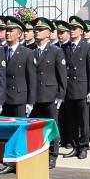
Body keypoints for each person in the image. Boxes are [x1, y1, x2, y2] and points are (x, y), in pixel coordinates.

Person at [29, 17, 68, 169]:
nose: (36, 32)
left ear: (48, 33)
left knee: (52, 127)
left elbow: (62, 76)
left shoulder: (56, 51)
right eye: (36, 30)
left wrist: (60, 95)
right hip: (34, 96)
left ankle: (53, 155)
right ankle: (38, 152)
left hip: (51, 95)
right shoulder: (30, 50)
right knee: (36, 127)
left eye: (40, 30)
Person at [60, 16, 90, 159]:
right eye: (71, 29)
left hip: (82, 89)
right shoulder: (64, 47)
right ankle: (75, 146)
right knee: (72, 120)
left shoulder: (87, 47)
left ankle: (83, 147)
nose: (72, 31)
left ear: (81, 31)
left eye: (75, 29)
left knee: (83, 120)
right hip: (69, 89)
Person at [1, 16, 36, 118]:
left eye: (11, 30)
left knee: (20, 131)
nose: (7, 33)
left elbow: (32, 79)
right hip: (4, 100)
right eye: (6, 30)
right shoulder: (0, 51)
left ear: (19, 34)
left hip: (19, 100)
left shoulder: (27, 53)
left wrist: (30, 102)